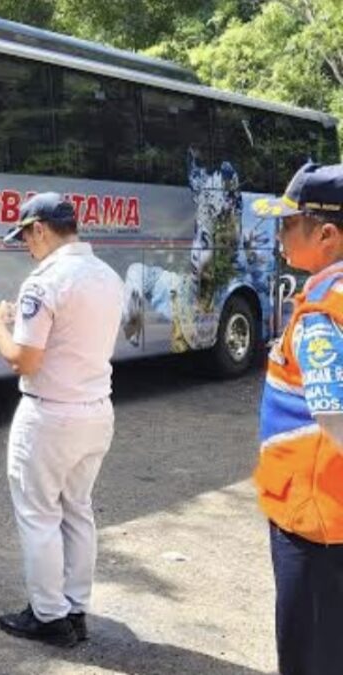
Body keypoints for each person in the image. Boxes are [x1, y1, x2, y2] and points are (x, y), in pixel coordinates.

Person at [0, 193, 123, 648]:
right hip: (96, 410)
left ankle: (48, 616)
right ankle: (75, 607)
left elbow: (23, 359)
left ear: (40, 229)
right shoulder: (106, 275)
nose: (26, 245)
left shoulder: (44, 282)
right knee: (77, 509)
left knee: (39, 515)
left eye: (26, 235)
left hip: (49, 413)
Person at [251, 163, 343, 674]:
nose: (279, 233)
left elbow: (335, 417)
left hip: (314, 521)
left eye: (288, 223)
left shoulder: (322, 316)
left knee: (311, 657)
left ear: (326, 234)